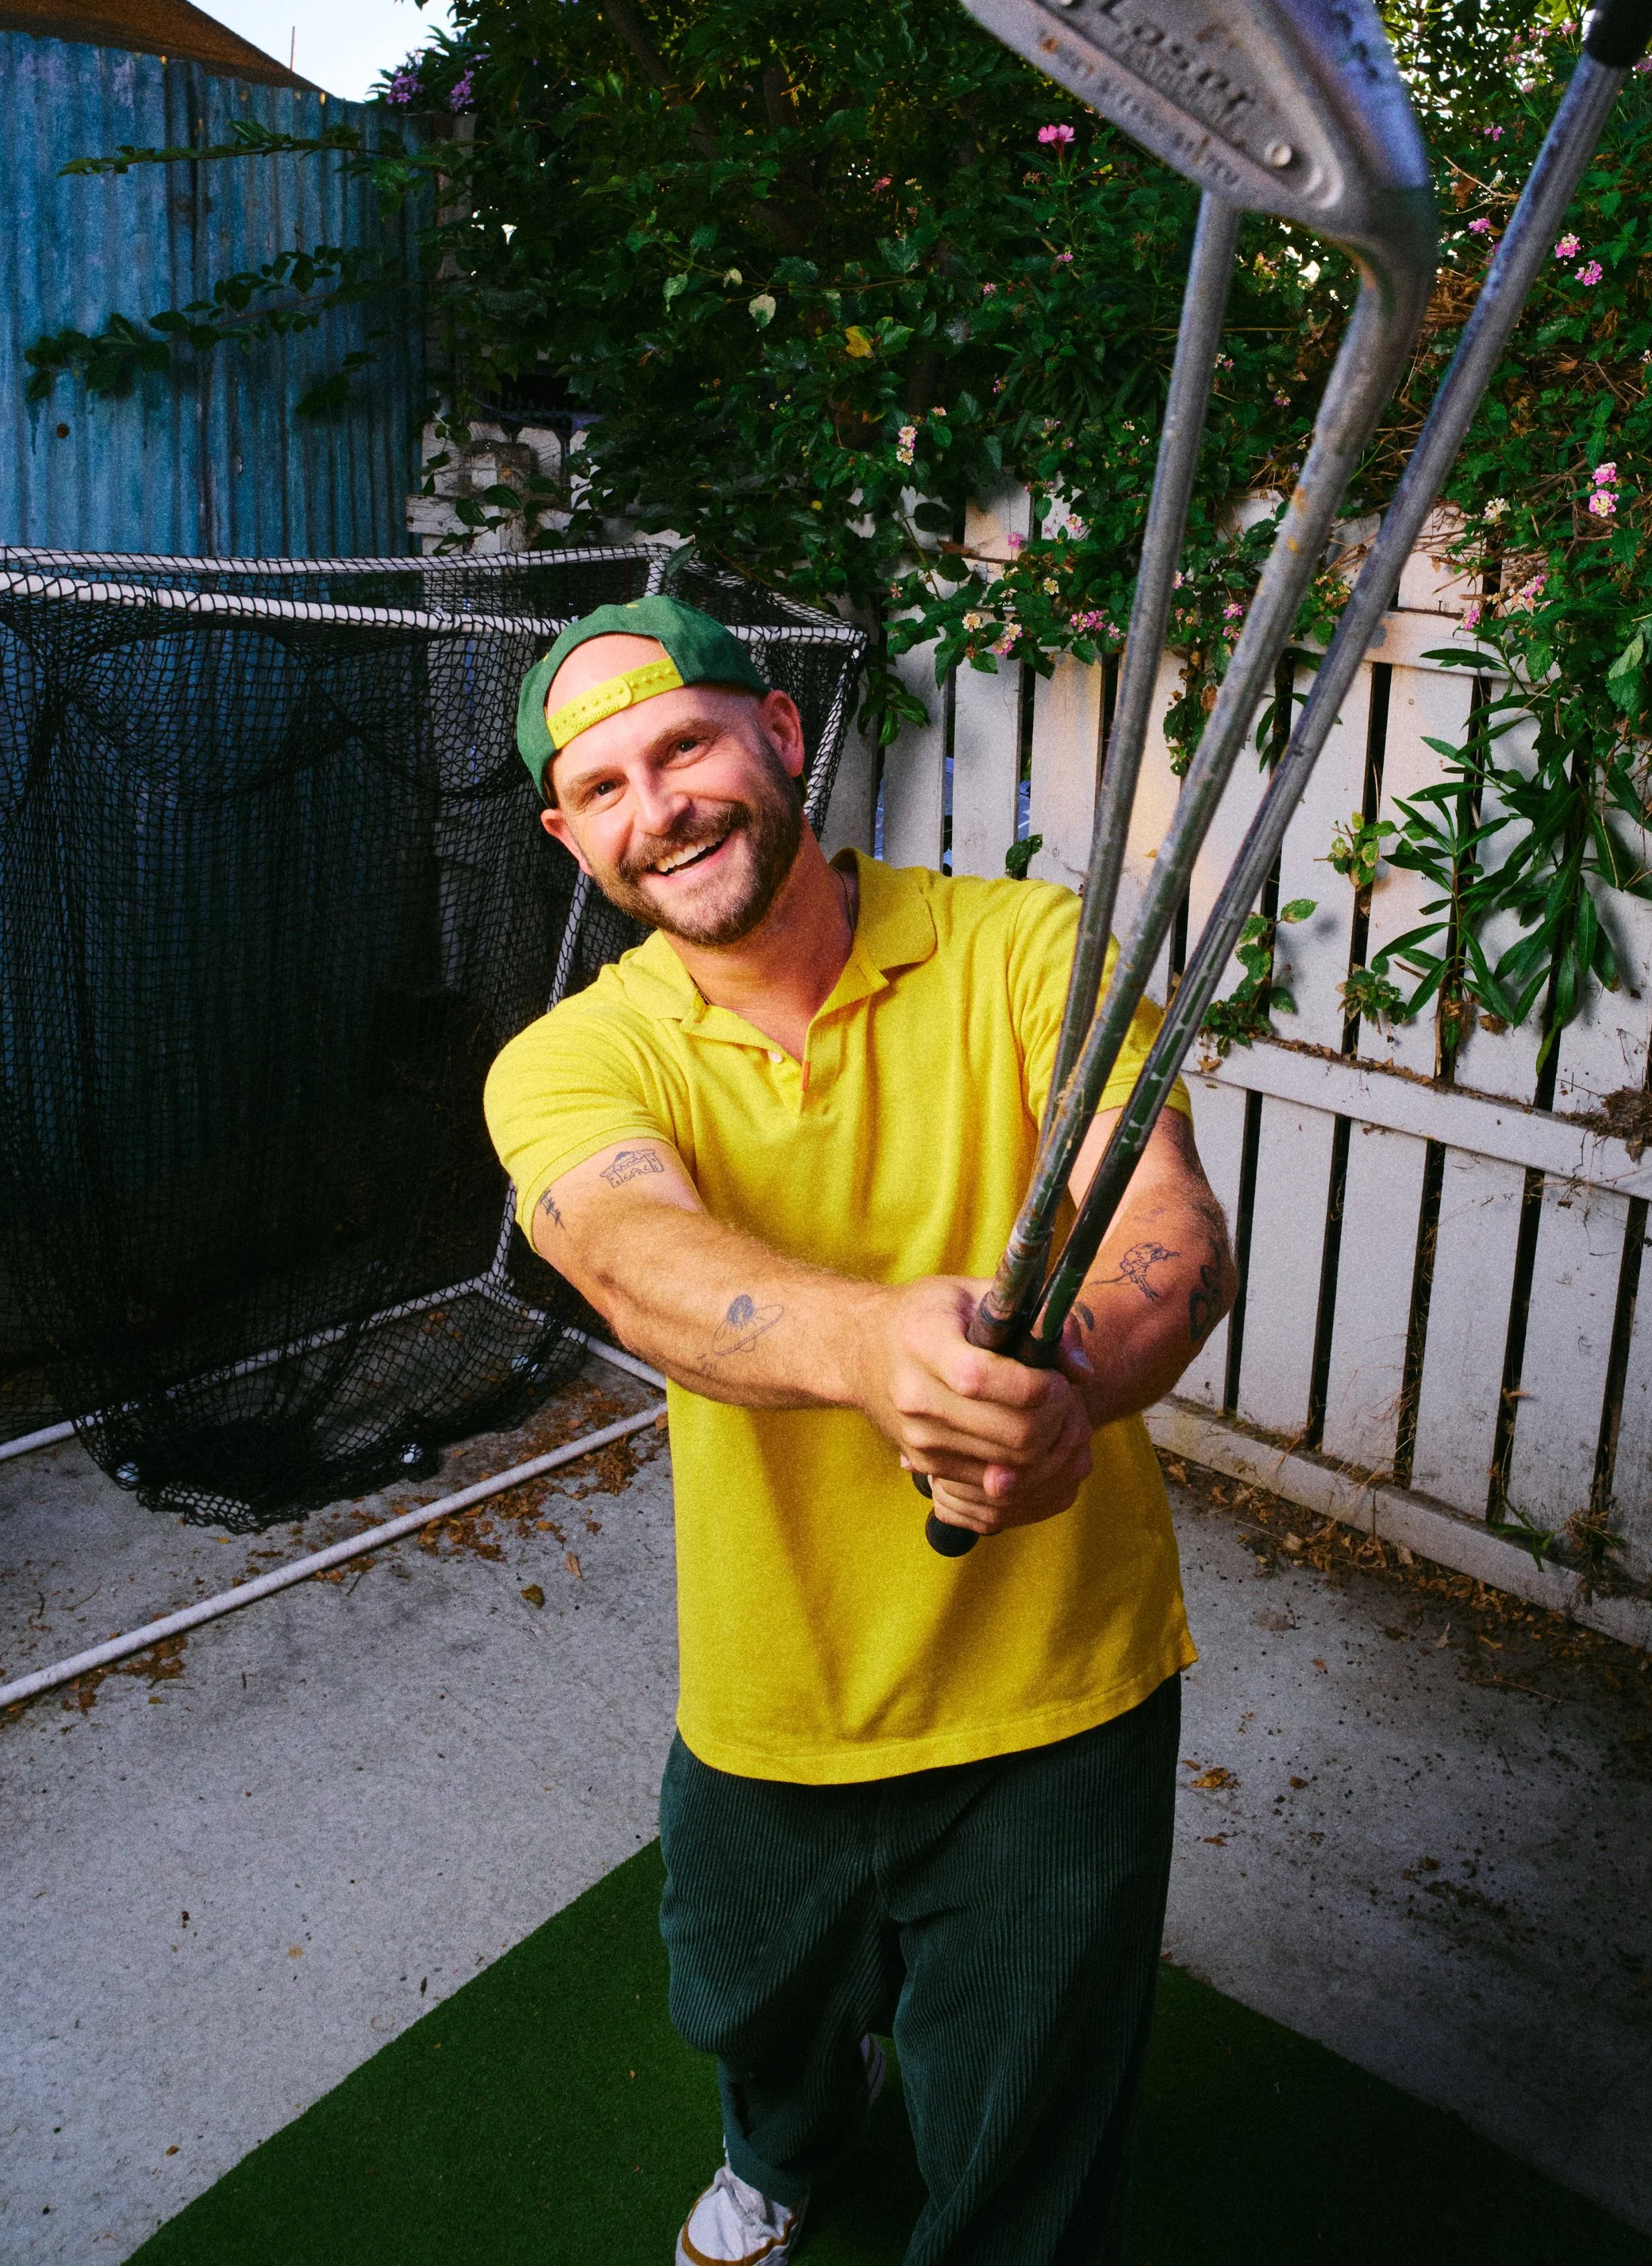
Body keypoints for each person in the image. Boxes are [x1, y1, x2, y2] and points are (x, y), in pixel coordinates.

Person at [483, 598, 1235, 2266]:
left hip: (1058, 1680)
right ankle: (784, 2145)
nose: (655, 806)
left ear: (780, 732)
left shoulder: (1029, 946)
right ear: (566, 834)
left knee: (1028, 2116)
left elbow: (1166, 1229)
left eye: (681, 746)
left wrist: (1077, 1378)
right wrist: (877, 1346)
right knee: (745, 2002)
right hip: (777, 1680)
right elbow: (629, 1250)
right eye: (601, 786)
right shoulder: (567, 1059)